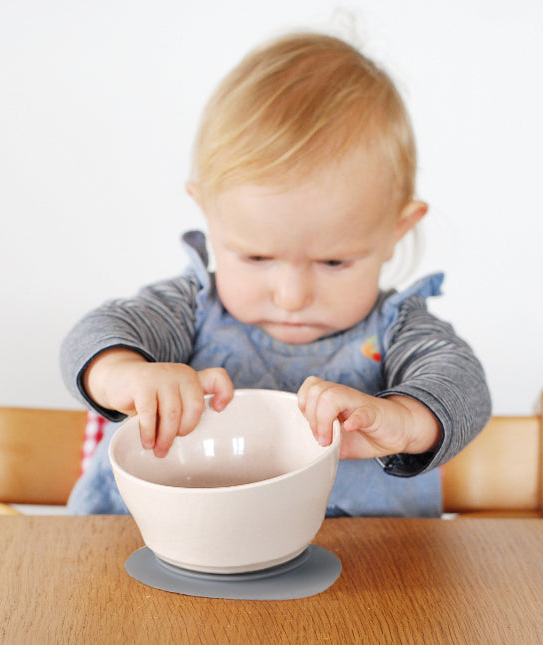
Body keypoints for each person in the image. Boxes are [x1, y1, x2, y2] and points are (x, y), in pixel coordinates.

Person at [61, 32, 491, 517]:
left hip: (366, 575)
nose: (291, 296)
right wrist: (128, 375)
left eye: (333, 263)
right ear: (209, 214)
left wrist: (404, 419)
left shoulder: (399, 330)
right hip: (159, 562)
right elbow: (93, 335)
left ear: (397, 230)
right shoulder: (188, 309)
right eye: (257, 258)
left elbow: (462, 385)